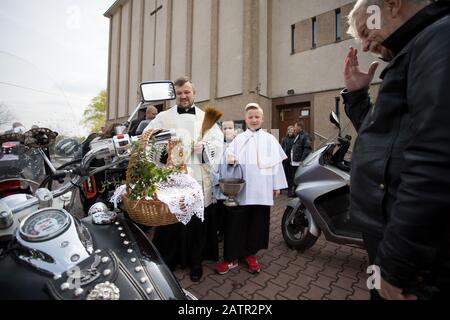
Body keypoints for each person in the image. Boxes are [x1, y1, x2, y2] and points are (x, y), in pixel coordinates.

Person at [342, 0, 450, 300]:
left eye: (365, 30)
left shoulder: (437, 40)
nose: (364, 45)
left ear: (392, 4)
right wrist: (357, 96)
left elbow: (436, 165)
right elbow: (385, 142)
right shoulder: (416, 48)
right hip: (391, 238)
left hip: (416, 266)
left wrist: (396, 267)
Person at [145, 76, 223, 282]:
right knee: (171, 222)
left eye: (187, 92)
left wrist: (205, 149)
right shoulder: (163, 117)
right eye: (179, 93)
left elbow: (219, 143)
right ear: (175, 96)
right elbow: (147, 138)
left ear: (194, 93)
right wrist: (164, 152)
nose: (183, 96)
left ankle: (196, 263)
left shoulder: (208, 118)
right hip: (172, 180)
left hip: (198, 178)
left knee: (197, 223)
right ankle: (169, 260)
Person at [215, 103, 287, 275]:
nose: (254, 120)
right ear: (245, 119)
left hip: (261, 190)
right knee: (235, 224)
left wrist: (277, 185)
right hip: (240, 191)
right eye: (250, 117)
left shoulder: (270, 139)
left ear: (262, 119)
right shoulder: (238, 139)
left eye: (257, 117)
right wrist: (229, 158)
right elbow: (225, 157)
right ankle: (231, 257)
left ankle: (250, 254)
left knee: (257, 223)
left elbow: (276, 164)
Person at [211, 120, 237, 243]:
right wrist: (217, 180)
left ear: (235, 129)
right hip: (220, 186)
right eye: (225, 128)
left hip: (233, 186)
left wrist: (236, 161)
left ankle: (230, 232)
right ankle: (220, 231)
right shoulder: (217, 146)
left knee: (232, 211)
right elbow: (211, 166)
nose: (227, 130)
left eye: (230, 128)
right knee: (220, 211)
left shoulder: (239, 145)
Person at [289, 121, 312, 196]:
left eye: (295, 126)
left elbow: (307, 149)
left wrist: (302, 160)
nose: (294, 128)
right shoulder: (298, 135)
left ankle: (297, 193)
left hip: (299, 162)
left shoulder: (305, 136)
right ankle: (295, 192)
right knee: (294, 177)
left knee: (298, 178)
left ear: (299, 127)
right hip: (294, 161)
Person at [281, 125, 296, 196]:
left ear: (294, 131)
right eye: (289, 130)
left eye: (292, 130)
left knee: (292, 175)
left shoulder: (295, 139)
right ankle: (285, 187)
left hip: (293, 160)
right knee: (285, 174)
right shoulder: (284, 139)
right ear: (287, 131)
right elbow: (282, 149)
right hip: (285, 159)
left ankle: (290, 190)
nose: (290, 131)